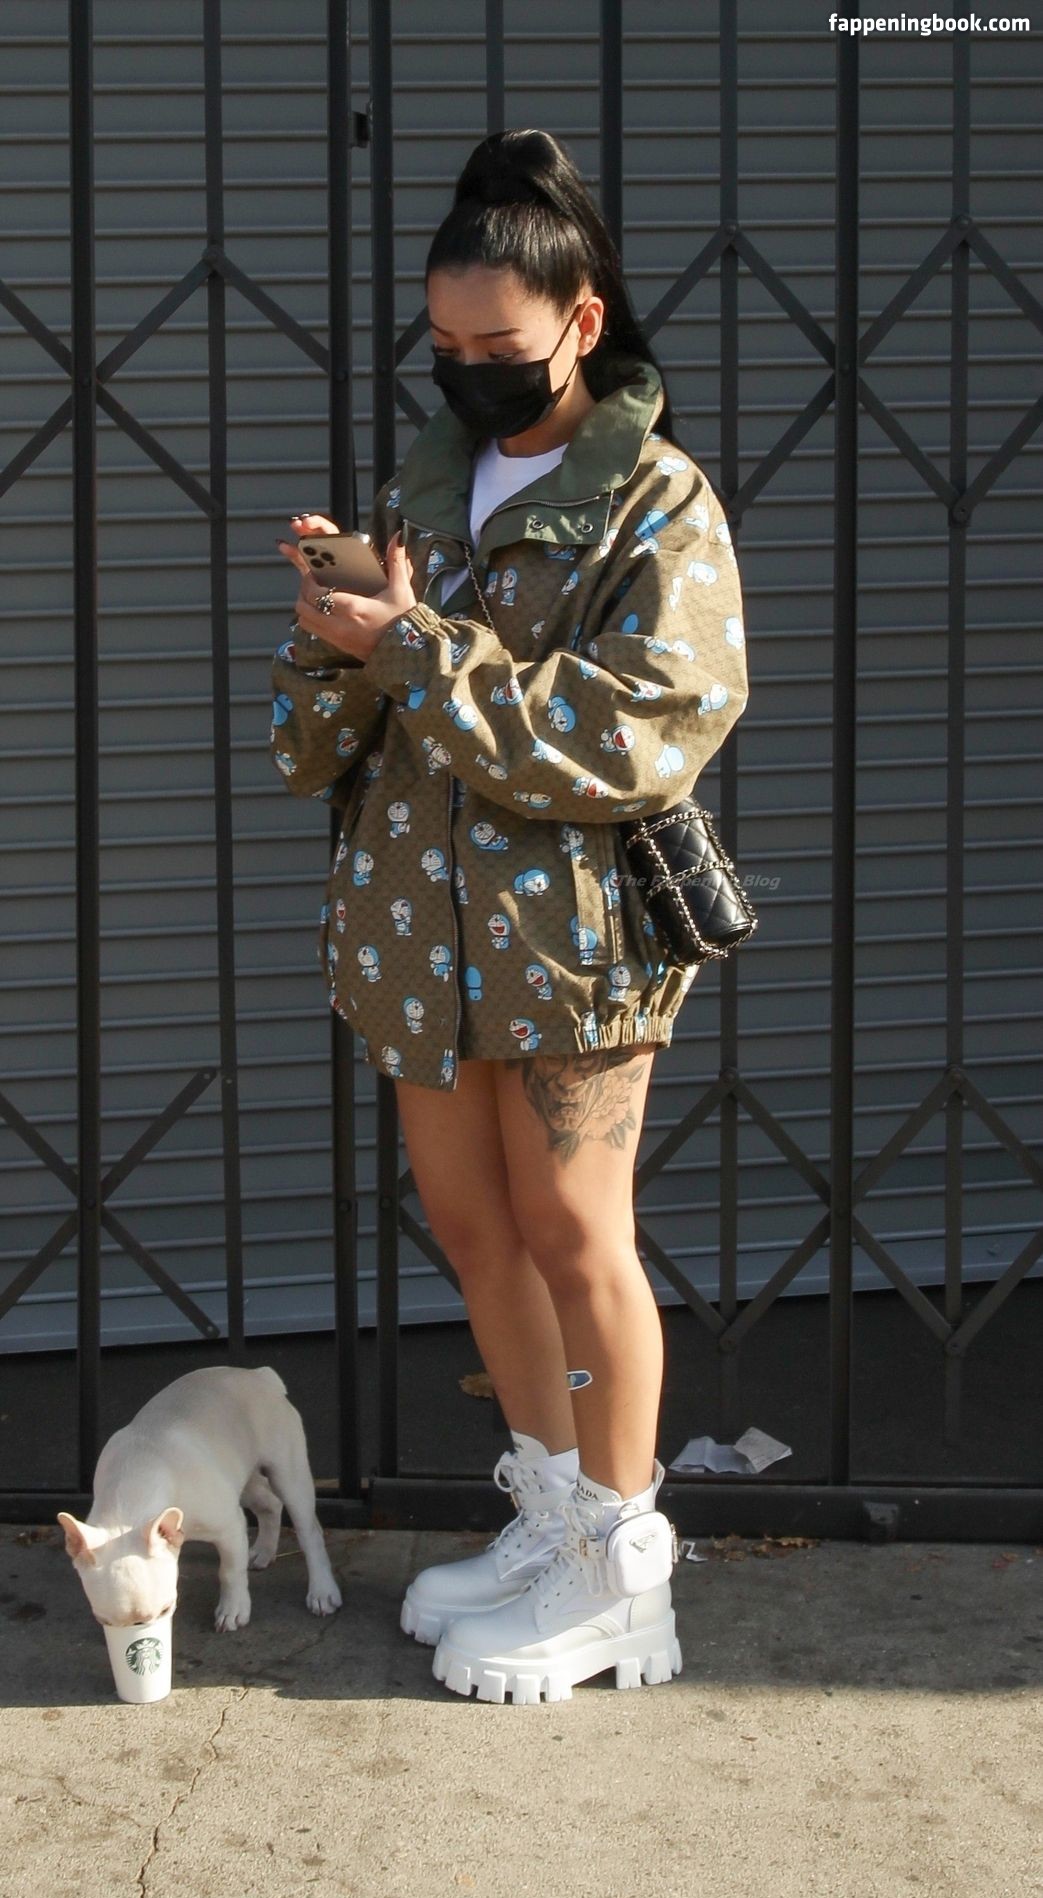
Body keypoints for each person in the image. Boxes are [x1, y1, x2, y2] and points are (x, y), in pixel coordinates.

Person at [271, 127, 749, 1705]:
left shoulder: (656, 503)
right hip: (419, 931)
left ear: (582, 322)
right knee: (478, 1232)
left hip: (573, 938)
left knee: (573, 1235)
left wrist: (415, 652)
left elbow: (643, 727)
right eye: (444, 346)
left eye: (498, 348)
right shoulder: (427, 484)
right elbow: (314, 750)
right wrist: (335, 642)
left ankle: (621, 1576)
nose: (466, 374)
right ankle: (551, 1517)